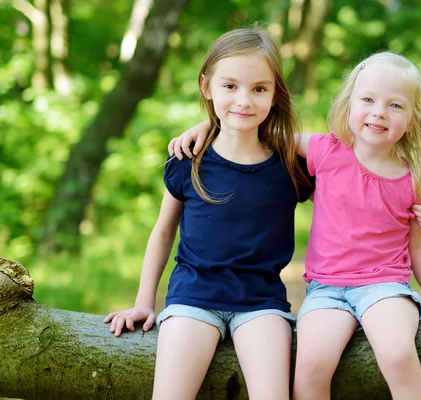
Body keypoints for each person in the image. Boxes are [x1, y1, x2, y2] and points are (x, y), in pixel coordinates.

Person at [171, 51, 421, 399]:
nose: (379, 111)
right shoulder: (325, 151)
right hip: (326, 291)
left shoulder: (414, 180)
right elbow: (253, 133)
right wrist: (208, 126)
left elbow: (418, 246)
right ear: (349, 106)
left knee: (397, 354)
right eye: (368, 100)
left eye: (395, 106)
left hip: (385, 286)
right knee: (310, 367)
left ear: (411, 120)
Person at [104, 27, 315, 400]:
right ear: (207, 86)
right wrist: (143, 301)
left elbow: (352, 177)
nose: (244, 100)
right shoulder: (189, 159)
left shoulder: (289, 165)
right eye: (230, 86)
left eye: (259, 89)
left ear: (274, 94)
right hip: (192, 299)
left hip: (262, 304)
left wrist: (417, 201)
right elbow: (163, 231)